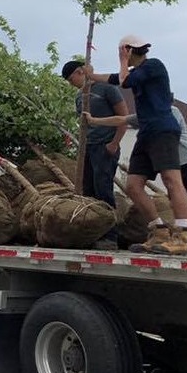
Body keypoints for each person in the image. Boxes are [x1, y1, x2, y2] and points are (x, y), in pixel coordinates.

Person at [86, 34, 187, 255]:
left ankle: (182, 236)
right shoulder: (137, 73)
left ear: (128, 50)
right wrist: (92, 76)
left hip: (163, 129)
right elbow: (118, 78)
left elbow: (124, 80)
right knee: (133, 186)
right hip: (146, 132)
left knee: (171, 180)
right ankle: (158, 229)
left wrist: (123, 60)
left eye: (122, 51)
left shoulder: (153, 66)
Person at [84, 105, 187, 255]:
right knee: (177, 201)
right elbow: (121, 120)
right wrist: (94, 120)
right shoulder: (144, 113)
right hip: (167, 163)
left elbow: (167, 132)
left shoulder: (171, 111)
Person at [62, 58, 128, 250]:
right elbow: (83, 126)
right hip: (88, 148)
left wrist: (114, 143)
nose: (70, 82)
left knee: (103, 190)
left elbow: (123, 117)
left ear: (80, 72)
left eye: (70, 78)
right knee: (88, 191)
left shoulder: (107, 88)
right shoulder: (79, 97)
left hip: (105, 146)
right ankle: (93, 233)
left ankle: (110, 236)